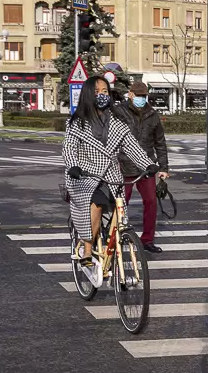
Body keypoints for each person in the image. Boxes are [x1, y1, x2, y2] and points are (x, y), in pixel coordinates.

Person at [62, 76, 156, 263]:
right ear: (89, 95)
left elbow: (131, 146)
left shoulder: (116, 123)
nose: (102, 95)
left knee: (119, 211)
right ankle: (87, 249)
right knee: (96, 205)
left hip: (111, 176)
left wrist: (148, 164)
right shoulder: (78, 123)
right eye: (97, 92)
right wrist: (72, 165)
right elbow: (69, 147)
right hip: (85, 176)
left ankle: (113, 251)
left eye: (105, 91)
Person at [112, 81, 171, 253]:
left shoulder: (152, 114)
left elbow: (160, 143)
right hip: (124, 165)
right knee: (121, 204)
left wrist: (163, 168)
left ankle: (147, 240)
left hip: (146, 166)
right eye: (138, 95)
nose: (141, 99)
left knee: (151, 202)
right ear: (130, 94)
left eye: (144, 96)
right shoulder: (119, 112)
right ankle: (115, 236)